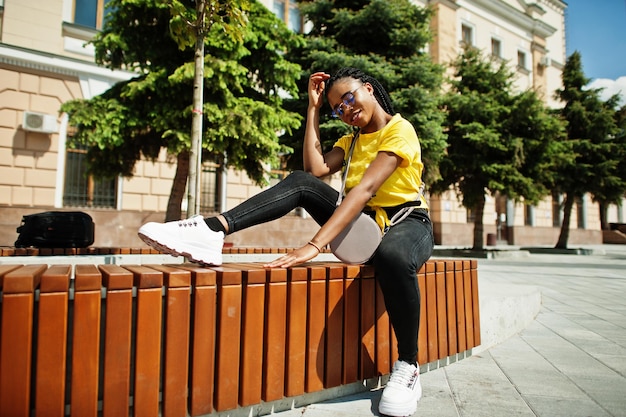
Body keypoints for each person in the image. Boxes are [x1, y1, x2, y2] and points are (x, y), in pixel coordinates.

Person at [138, 67, 434, 417]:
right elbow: (315, 170)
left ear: (368, 88)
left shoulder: (399, 129)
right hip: (364, 226)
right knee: (299, 182)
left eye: (349, 98)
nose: (346, 110)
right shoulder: (352, 139)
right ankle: (212, 229)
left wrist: (315, 245)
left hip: (407, 222)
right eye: (337, 108)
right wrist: (313, 108)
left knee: (395, 258)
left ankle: (407, 366)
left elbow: (367, 188)